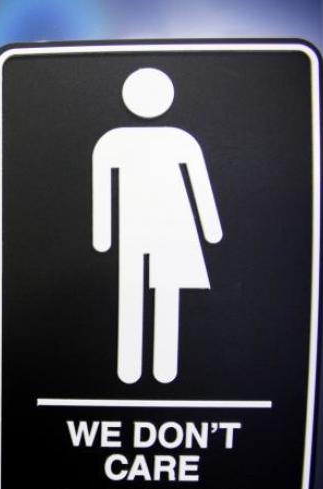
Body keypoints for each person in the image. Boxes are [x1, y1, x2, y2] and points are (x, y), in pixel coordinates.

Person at [92, 67, 223, 384]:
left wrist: (211, 229)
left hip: (171, 228)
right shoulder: (113, 142)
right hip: (135, 229)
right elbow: (102, 189)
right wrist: (103, 235)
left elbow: (199, 187)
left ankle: (163, 369)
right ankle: (130, 367)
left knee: (164, 293)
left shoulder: (180, 140)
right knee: (133, 291)